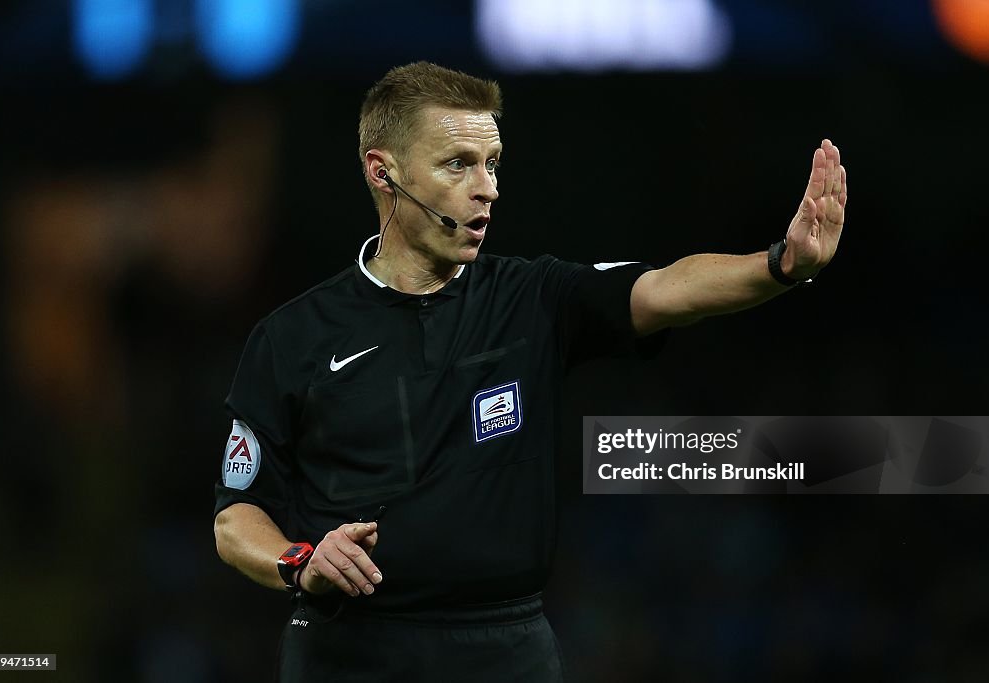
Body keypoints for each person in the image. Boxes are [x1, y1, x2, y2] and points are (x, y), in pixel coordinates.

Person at [213, 61, 847, 681]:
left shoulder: (532, 298)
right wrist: (300, 560)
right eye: (457, 164)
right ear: (385, 173)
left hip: (505, 650)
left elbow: (664, 289)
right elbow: (236, 517)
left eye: (492, 164)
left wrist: (781, 265)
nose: (487, 186)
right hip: (349, 651)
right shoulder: (291, 338)